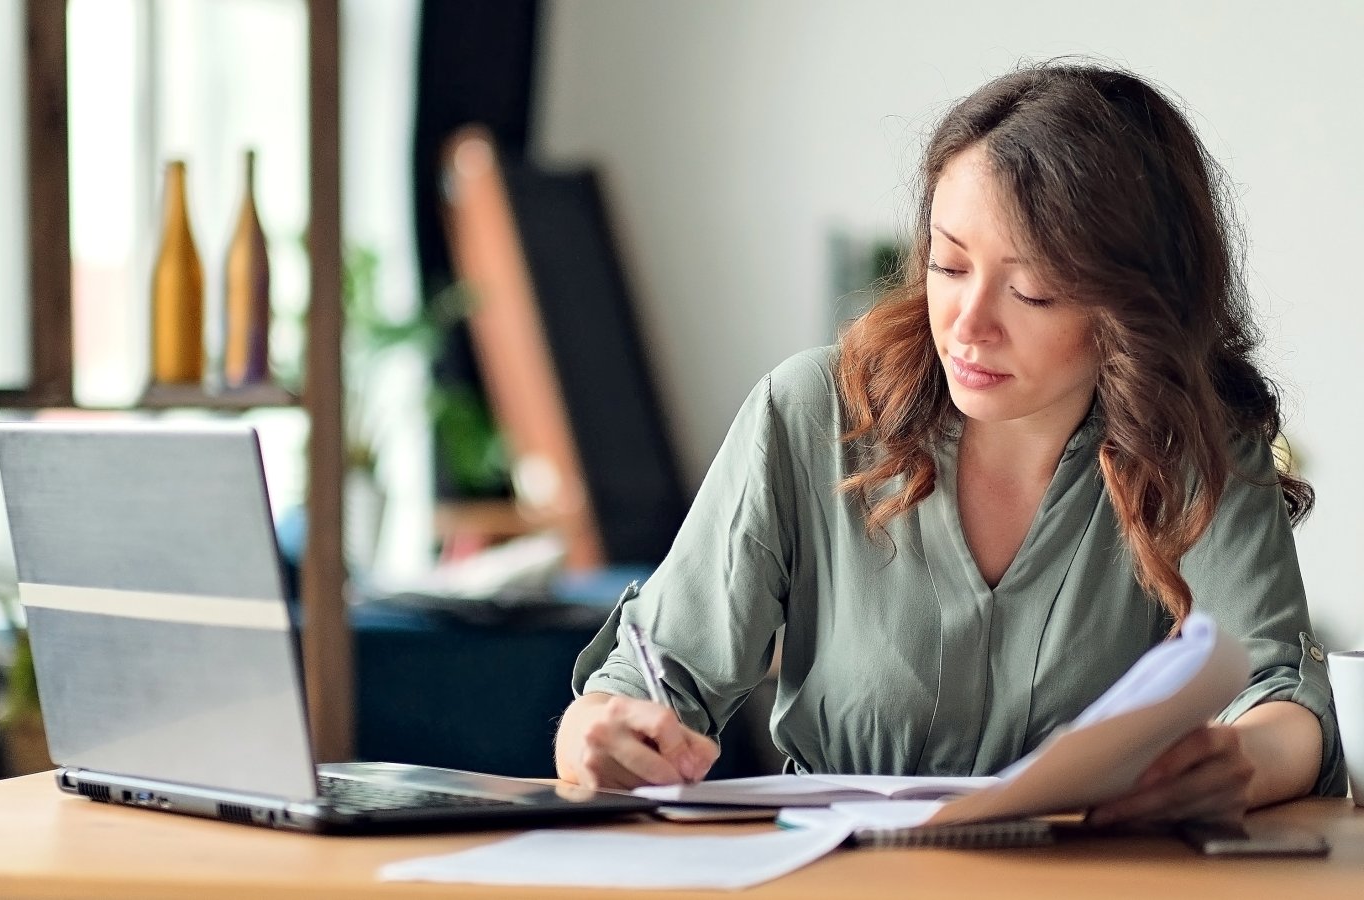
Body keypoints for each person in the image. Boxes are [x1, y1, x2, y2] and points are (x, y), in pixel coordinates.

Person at [554, 60, 1347, 825]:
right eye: (947, 263)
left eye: (1030, 289)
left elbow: (1279, 693)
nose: (967, 325)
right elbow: (654, 675)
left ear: (1135, 306)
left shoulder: (1196, 446)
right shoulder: (809, 415)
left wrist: (1238, 761)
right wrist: (597, 731)